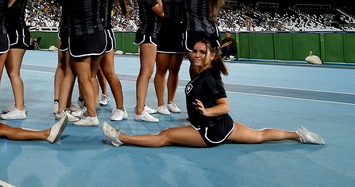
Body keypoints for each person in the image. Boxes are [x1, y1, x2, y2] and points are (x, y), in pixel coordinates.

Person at [101, 36, 325, 147]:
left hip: (209, 130)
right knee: (258, 135)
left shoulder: (209, 77)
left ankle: (121, 137)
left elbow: (224, 106)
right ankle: (297, 135)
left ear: (210, 55)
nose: (196, 54)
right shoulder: (202, 72)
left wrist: (207, 113)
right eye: (194, 51)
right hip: (223, 125)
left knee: (166, 136)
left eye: (201, 52)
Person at [57, 0, 108, 126]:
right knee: (93, 76)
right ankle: (90, 110)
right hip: (99, 37)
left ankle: (92, 116)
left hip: (80, 38)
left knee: (84, 78)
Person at [152, 0, 227, 79]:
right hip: (211, 32)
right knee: (209, 68)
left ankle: (197, 94)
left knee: (197, 68)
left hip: (194, 33)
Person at [82, 0, 127, 122]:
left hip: (105, 32)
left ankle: (121, 108)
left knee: (108, 72)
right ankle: (90, 108)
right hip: (93, 33)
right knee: (91, 74)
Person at [129, 0, 164, 122]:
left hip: (151, 33)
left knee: (146, 72)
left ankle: (141, 106)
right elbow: (161, 12)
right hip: (148, 33)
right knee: (146, 72)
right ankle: (139, 111)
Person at [0, 0, 33, 120]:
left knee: (13, 72)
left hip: (17, 33)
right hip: (9, 31)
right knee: (11, 71)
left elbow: (6, 4)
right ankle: (19, 103)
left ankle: (20, 109)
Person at [153, 0, 186, 115]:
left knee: (175, 70)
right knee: (161, 69)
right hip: (163, 32)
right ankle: (160, 104)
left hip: (178, 33)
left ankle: (171, 101)